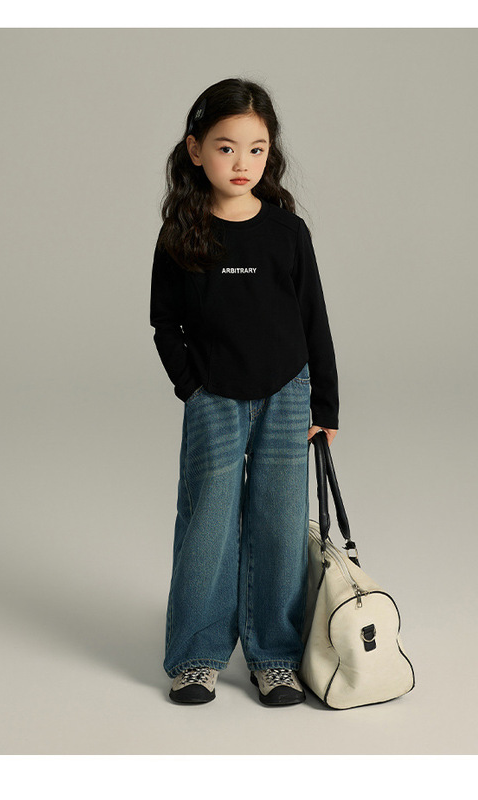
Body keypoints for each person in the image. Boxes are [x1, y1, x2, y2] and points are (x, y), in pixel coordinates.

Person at [149, 77, 339, 707]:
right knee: (207, 522)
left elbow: (313, 319)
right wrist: (191, 386)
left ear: (269, 154)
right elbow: (164, 321)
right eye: (226, 147)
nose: (242, 163)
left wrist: (325, 404)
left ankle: (275, 658)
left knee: (280, 524)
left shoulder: (287, 232)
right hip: (215, 396)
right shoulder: (182, 232)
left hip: (288, 393)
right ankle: (197, 656)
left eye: (256, 150)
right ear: (195, 149)